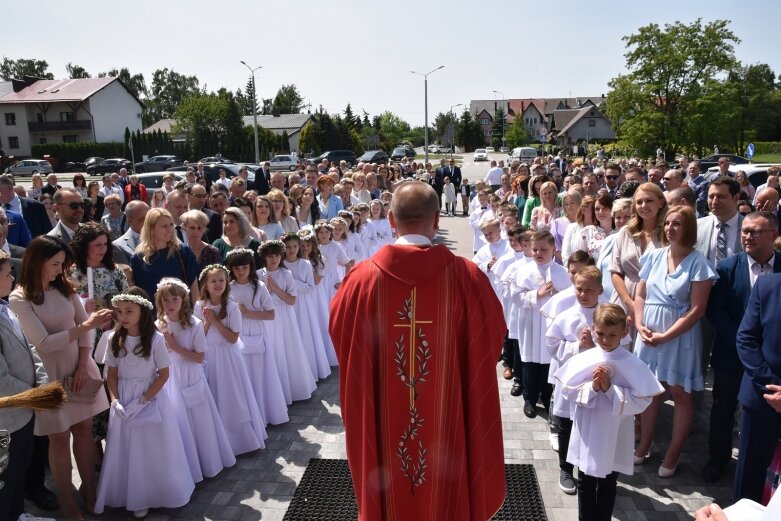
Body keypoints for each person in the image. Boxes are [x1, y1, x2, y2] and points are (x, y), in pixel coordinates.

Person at [330, 180, 507, 520]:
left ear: (392, 222)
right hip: (449, 419)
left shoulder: (360, 280)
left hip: (383, 417)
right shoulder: (467, 277)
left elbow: (341, 335)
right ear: (437, 220)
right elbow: (492, 338)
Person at [10, 236, 114, 519]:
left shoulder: (65, 286)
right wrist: (87, 327)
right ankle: (67, 501)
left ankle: (90, 493)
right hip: (50, 377)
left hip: (80, 367)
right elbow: (44, 343)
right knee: (59, 439)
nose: (60, 269)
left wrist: (83, 364)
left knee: (83, 431)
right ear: (38, 262)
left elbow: (85, 327)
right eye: (55, 264)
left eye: (62, 264)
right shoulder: (20, 298)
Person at [555, 304, 664, 521]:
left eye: (612, 334)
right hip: (589, 427)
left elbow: (643, 399)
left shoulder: (632, 363)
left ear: (624, 332)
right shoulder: (584, 358)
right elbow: (567, 390)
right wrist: (593, 388)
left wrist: (610, 389)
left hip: (616, 430)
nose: (605, 339)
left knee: (608, 481)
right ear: (593, 330)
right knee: (585, 480)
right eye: (601, 333)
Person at [94, 288, 195, 518]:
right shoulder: (113, 338)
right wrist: (115, 401)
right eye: (119, 312)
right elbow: (111, 374)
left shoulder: (156, 339)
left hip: (150, 396)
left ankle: (157, 492)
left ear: (143, 311)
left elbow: (164, 373)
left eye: (129, 311)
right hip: (123, 395)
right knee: (128, 447)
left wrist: (142, 401)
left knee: (153, 446)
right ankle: (134, 495)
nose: (123, 316)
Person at [633, 205, 717, 478]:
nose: (670, 228)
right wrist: (638, 323)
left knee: (679, 393)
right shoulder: (654, 256)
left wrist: (665, 336)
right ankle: (644, 444)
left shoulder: (699, 264)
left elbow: (697, 310)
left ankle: (673, 451)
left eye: (677, 223)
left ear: (689, 228)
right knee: (650, 390)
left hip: (679, 337)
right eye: (668, 223)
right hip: (648, 333)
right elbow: (641, 294)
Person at [704, 212, 781, 483]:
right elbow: (715, 310)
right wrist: (742, 340)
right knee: (723, 407)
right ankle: (718, 459)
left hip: (771, 362)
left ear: (774, 235)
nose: (747, 236)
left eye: (755, 232)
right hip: (732, 354)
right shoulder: (727, 268)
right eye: (745, 231)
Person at [155, 278, 236, 477]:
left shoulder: (194, 324)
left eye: (175, 299)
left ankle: (207, 464)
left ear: (183, 300)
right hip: (169, 378)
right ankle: (186, 468)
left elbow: (200, 357)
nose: (170, 304)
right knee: (177, 420)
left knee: (199, 422)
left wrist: (175, 348)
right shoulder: (158, 325)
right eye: (166, 300)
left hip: (190, 376)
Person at [0, 250, 53, 521]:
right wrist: (36, 396)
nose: (12, 277)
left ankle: (18, 514)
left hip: (25, 411)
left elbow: (31, 348)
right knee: (5, 478)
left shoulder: (5, 306)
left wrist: (42, 383)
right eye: (7, 273)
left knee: (19, 470)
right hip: (8, 416)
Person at [545, 265, 606, 495]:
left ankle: (589, 469)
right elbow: (551, 344)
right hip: (571, 380)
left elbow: (622, 342)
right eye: (579, 289)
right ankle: (565, 468)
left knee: (591, 425)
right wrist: (577, 346)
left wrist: (599, 345)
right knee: (567, 426)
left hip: (595, 381)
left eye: (589, 289)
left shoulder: (607, 314)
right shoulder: (566, 316)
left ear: (600, 290)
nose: (582, 294)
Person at [194, 264, 267, 455]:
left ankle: (240, 441)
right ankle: (218, 443)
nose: (218, 284)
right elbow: (198, 337)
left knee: (231, 396)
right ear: (205, 285)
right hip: (209, 355)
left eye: (221, 280)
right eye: (213, 281)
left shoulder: (232, 306)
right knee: (213, 396)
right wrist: (207, 322)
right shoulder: (199, 306)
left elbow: (233, 337)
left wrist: (215, 321)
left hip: (227, 356)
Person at [511, 231, 573, 418]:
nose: (538, 253)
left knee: (548, 363)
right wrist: (536, 294)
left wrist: (556, 294)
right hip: (529, 322)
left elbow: (570, 299)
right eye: (535, 248)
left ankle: (547, 397)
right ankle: (529, 399)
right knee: (530, 363)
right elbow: (515, 296)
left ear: (554, 249)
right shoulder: (523, 271)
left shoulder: (563, 273)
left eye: (543, 249)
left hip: (550, 325)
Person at [225, 249, 288, 426]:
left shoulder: (258, 287)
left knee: (261, 374)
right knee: (243, 375)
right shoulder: (229, 288)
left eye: (244, 267)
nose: (241, 272)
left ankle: (266, 414)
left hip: (257, 333)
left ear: (251, 267)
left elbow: (270, 314)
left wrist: (247, 313)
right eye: (236, 268)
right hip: (237, 335)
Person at [734, 271, 781, 502]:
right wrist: (774, 388)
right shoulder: (767, 285)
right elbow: (746, 339)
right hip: (762, 399)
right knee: (749, 482)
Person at [257, 239, 317, 402]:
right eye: (270, 256)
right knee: (273, 350)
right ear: (264, 257)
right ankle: (276, 392)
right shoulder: (258, 275)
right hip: (268, 317)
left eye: (277, 255)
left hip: (284, 315)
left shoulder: (286, 274)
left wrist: (275, 288)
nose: (274, 259)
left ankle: (294, 388)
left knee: (288, 349)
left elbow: (291, 300)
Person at [609, 183, 666, 320]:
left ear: (661, 203)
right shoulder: (626, 232)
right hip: (623, 300)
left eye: (649, 201)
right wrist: (630, 304)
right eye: (639, 202)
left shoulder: (668, 233)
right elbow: (615, 271)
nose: (643, 206)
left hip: (655, 300)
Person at [129, 208, 200, 303]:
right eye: (164, 226)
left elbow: (194, 286)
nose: (169, 229)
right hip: (153, 315)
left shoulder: (183, 251)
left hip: (181, 313)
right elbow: (139, 293)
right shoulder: (137, 258)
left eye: (171, 224)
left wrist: (197, 313)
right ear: (151, 229)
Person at [696, 176, 744, 267]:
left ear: (736, 198)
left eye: (721, 197)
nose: (714, 202)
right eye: (711, 196)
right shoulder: (697, 226)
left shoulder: (749, 227)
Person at [111, 201, 149, 267]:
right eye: (142, 219)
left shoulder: (161, 238)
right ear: (129, 221)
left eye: (149, 218)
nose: (148, 222)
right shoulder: (118, 246)